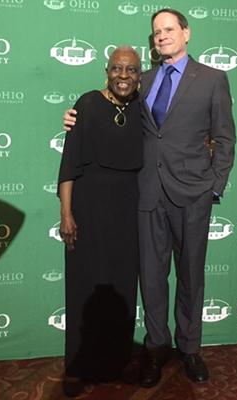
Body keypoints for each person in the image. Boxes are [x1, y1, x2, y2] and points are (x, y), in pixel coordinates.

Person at [64, 9, 235, 388]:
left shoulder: (212, 79)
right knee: (153, 280)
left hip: (193, 196)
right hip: (148, 196)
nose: (161, 36)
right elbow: (114, 109)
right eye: (156, 32)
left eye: (169, 29)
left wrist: (214, 186)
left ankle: (190, 349)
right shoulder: (143, 80)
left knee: (191, 276)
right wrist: (76, 117)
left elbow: (225, 138)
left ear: (186, 33)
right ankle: (156, 350)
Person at [58, 46, 143, 397]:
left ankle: (116, 362)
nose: (123, 75)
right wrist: (66, 213)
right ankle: (78, 367)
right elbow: (68, 165)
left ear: (140, 75)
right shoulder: (88, 104)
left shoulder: (146, 109)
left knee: (122, 287)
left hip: (130, 210)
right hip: (89, 208)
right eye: (117, 69)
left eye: (131, 70)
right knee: (84, 286)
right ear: (106, 71)